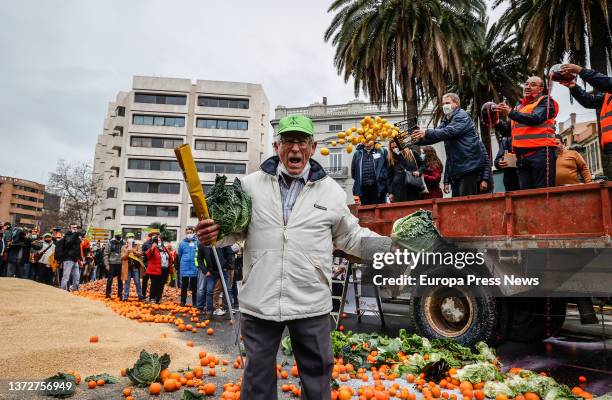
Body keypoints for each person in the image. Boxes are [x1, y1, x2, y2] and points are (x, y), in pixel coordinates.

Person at [195, 114, 390, 400]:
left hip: (310, 301)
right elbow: (231, 233)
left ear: (312, 147)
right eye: (288, 141)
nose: (295, 148)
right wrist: (212, 234)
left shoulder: (332, 192)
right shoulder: (250, 186)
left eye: (301, 141)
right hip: (260, 301)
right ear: (277, 146)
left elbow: (350, 236)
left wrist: (388, 248)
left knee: (317, 379)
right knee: (256, 382)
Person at [412, 93, 490, 196]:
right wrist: (416, 139)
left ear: (456, 103)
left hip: (468, 168)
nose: (444, 106)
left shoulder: (462, 116)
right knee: (457, 205)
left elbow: (450, 131)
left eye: (447, 103)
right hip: (458, 170)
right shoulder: (447, 120)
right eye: (443, 104)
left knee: (466, 203)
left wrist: (426, 132)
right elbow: (436, 135)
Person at [495, 76, 559, 189]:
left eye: (533, 84)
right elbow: (508, 131)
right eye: (526, 84)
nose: (528, 87)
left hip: (542, 153)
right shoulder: (519, 107)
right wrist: (496, 122)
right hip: (522, 159)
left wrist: (510, 112)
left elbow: (535, 118)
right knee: (526, 196)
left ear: (541, 89)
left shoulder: (546, 101)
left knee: (543, 193)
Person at [559, 63, 612, 179]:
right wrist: (573, 87)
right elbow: (590, 101)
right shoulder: (608, 96)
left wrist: (580, 71)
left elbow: (605, 83)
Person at [351, 140, 389, 205]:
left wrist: (383, 177)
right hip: (364, 189)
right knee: (366, 212)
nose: (367, 142)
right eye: (365, 139)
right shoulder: (357, 153)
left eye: (369, 139)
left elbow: (388, 166)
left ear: (373, 139)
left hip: (379, 187)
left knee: (380, 210)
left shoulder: (381, 151)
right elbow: (353, 171)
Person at [146, 233, 174, 304]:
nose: (159, 242)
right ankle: (152, 298)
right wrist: (152, 247)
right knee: (154, 284)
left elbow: (169, 258)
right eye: (157, 241)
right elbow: (148, 256)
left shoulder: (165, 248)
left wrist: (170, 269)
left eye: (160, 240)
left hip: (164, 269)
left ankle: (158, 298)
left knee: (161, 285)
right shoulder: (153, 248)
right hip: (155, 269)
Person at [493, 119, 520, 191]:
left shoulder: (527, 137)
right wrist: (500, 162)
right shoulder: (506, 140)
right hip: (511, 180)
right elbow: (496, 161)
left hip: (524, 176)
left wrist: (518, 161)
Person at [55, 223, 83, 290]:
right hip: (68, 259)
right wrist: (75, 234)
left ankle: (75, 289)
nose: (75, 229)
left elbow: (78, 248)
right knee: (66, 276)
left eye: (75, 227)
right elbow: (69, 243)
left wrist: (80, 259)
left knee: (77, 277)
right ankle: (63, 289)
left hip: (75, 259)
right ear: (69, 228)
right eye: (73, 227)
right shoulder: (67, 236)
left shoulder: (76, 236)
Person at [210, 245, 235, 317]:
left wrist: (229, 266)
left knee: (228, 289)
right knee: (218, 288)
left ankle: (228, 308)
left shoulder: (228, 243)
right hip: (221, 268)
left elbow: (229, 254)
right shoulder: (221, 242)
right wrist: (225, 265)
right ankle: (216, 307)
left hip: (228, 267)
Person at [177, 227, 199, 307]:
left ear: (193, 233)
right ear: (185, 234)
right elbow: (179, 255)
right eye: (187, 232)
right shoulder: (182, 243)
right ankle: (183, 301)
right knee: (184, 286)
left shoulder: (197, 242)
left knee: (194, 286)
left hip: (194, 266)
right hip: (185, 266)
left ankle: (195, 302)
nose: (189, 234)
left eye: (190, 232)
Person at [121, 232, 144, 301]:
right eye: (129, 237)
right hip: (127, 267)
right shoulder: (124, 247)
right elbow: (122, 257)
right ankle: (125, 297)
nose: (130, 238)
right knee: (127, 282)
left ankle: (140, 296)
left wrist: (134, 251)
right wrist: (127, 252)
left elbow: (140, 254)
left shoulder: (137, 245)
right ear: (126, 239)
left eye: (131, 237)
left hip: (135, 267)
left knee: (137, 282)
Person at [103, 229, 124, 298]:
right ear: (115, 236)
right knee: (110, 280)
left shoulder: (123, 243)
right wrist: (107, 264)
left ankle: (120, 295)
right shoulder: (110, 243)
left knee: (120, 281)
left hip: (120, 264)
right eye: (117, 236)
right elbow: (106, 254)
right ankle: (108, 295)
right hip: (111, 264)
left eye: (120, 236)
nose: (119, 237)